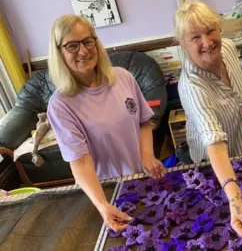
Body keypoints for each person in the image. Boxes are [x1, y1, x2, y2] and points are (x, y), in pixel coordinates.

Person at [47, 15, 166, 232]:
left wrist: (147, 156)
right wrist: (102, 205)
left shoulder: (123, 77)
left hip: (143, 179)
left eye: (87, 41)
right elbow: (80, 162)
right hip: (109, 193)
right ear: (59, 52)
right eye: (72, 46)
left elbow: (143, 122)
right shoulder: (60, 105)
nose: (83, 51)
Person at [174, 0, 242, 238]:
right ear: (183, 44)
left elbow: (239, 97)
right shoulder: (191, 87)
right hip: (213, 168)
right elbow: (214, 141)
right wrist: (234, 199)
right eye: (195, 37)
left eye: (210, 31)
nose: (207, 42)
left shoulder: (228, 48)